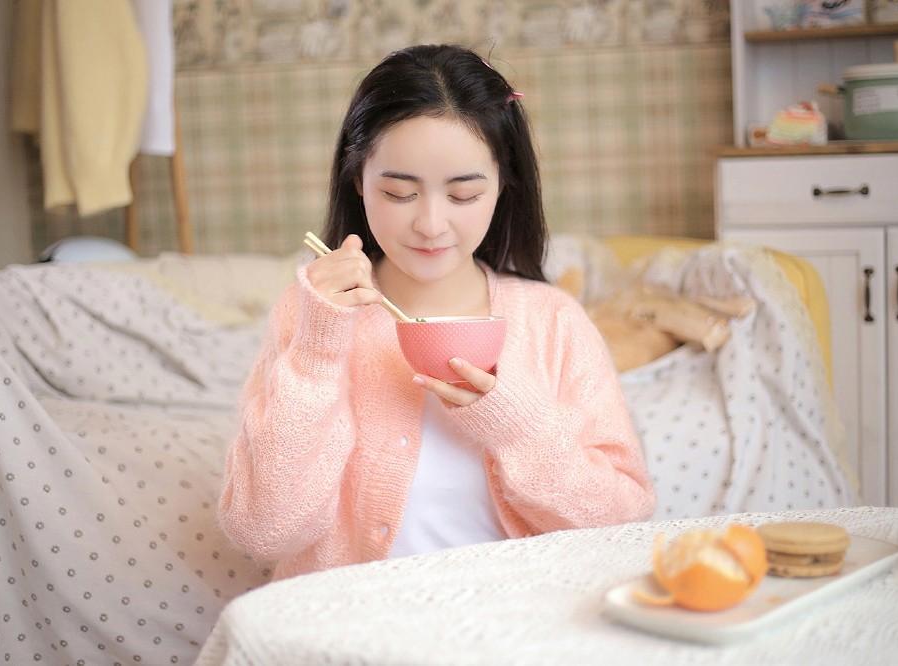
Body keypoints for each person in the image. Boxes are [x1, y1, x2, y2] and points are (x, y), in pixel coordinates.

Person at [218, 44, 655, 580]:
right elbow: (264, 532)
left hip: (510, 627)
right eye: (399, 193)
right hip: (349, 630)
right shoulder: (311, 314)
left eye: (463, 195)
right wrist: (316, 350)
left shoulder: (553, 320)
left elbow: (623, 520)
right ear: (358, 182)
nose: (430, 224)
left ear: (502, 187)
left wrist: (515, 426)